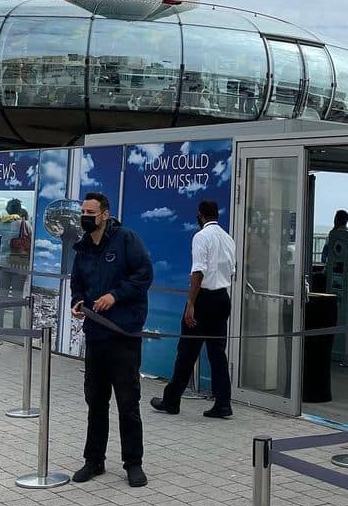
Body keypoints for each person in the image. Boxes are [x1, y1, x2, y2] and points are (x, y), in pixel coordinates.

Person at [69, 192, 152, 487]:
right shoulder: (81, 248)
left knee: (128, 402)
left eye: (91, 212)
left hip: (123, 335)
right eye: (83, 211)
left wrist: (114, 296)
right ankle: (94, 460)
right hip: (96, 336)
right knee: (96, 401)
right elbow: (77, 283)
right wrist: (78, 302)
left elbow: (144, 275)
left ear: (104, 214)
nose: (85, 216)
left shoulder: (126, 239)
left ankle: (133, 463)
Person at [151, 199, 236, 419]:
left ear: (200, 215)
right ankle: (223, 403)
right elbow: (231, 272)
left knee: (187, 352)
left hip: (203, 299)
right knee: (217, 354)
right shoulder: (229, 239)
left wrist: (191, 303)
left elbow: (198, 272)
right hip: (222, 298)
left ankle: (171, 400)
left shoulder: (201, 237)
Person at [0, 199, 32, 327]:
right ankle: (16, 325)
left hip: (2, 264)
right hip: (18, 263)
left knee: (2, 294)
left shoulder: (0, 224)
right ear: (20, 210)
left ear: (7, 209)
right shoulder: (25, 224)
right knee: (17, 294)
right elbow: (30, 242)